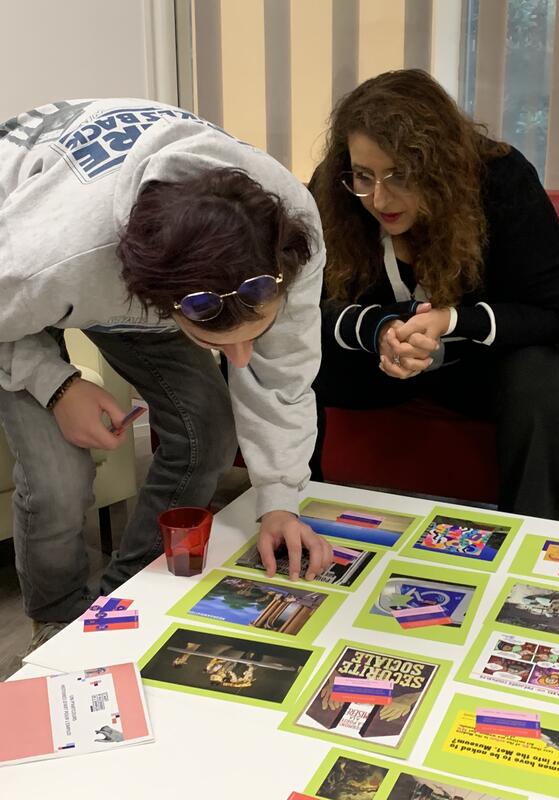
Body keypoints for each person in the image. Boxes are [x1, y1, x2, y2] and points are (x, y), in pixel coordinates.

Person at [0, 98, 332, 651]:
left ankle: (124, 594)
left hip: (127, 257)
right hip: (20, 254)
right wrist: (55, 384)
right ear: (157, 302)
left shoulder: (294, 231)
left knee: (208, 427)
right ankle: (58, 626)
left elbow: (284, 374)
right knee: (58, 477)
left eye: (255, 332)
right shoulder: (54, 257)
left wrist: (279, 500)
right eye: (219, 344)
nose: (243, 359)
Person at [309, 69, 559, 520]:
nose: (379, 197)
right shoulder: (337, 192)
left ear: (439, 166)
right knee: (290, 353)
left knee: (536, 369)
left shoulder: (502, 180)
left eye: (399, 175)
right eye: (364, 175)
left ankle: (536, 535)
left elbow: (554, 312)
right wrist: (376, 329)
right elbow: (300, 308)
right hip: (374, 362)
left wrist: (453, 321)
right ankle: (289, 512)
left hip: (475, 366)